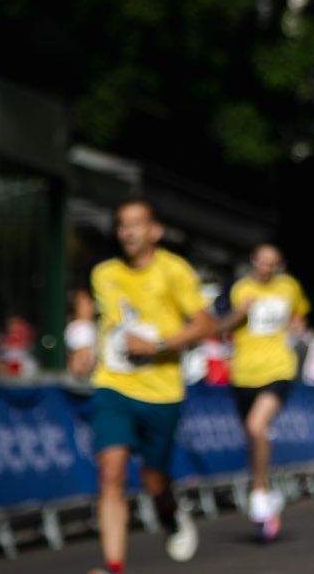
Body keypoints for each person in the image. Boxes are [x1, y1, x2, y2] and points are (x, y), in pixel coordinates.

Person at [88, 197, 220, 574]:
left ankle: (171, 514)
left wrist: (157, 344)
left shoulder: (174, 270)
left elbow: (205, 324)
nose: (128, 231)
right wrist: (83, 349)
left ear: (154, 231)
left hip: (162, 391)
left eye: (136, 224)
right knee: (110, 471)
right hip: (113, 385)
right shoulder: (104, 273)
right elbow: (105, 321)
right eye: (122, 224)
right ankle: (114, 566)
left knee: (154, 479)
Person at [220, 243, 309, 542]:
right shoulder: (240, 289)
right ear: (253, 262)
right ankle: (267, 492)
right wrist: (240, 312)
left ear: (279, 265)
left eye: (272, 264)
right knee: (252, 437)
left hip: (279, 369)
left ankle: (258, 493)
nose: (266, 268)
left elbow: (299, 315)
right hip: (244, 371)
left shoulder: (289, 287)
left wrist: (297, 327)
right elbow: (224, 327)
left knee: (257, 426)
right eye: (261, 263)